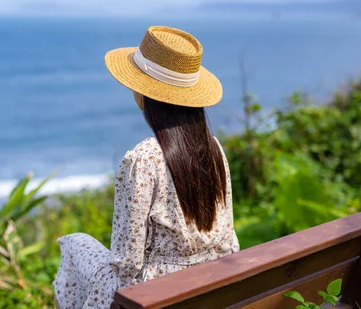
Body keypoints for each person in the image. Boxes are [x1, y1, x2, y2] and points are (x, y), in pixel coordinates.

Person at [53, 26, 239, 308]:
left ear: (147, 92)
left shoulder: (141, 158)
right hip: (210, 283)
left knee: (74, 244)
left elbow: (127, 261)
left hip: (155, 295)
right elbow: (228, 239)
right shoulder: (213, 146)